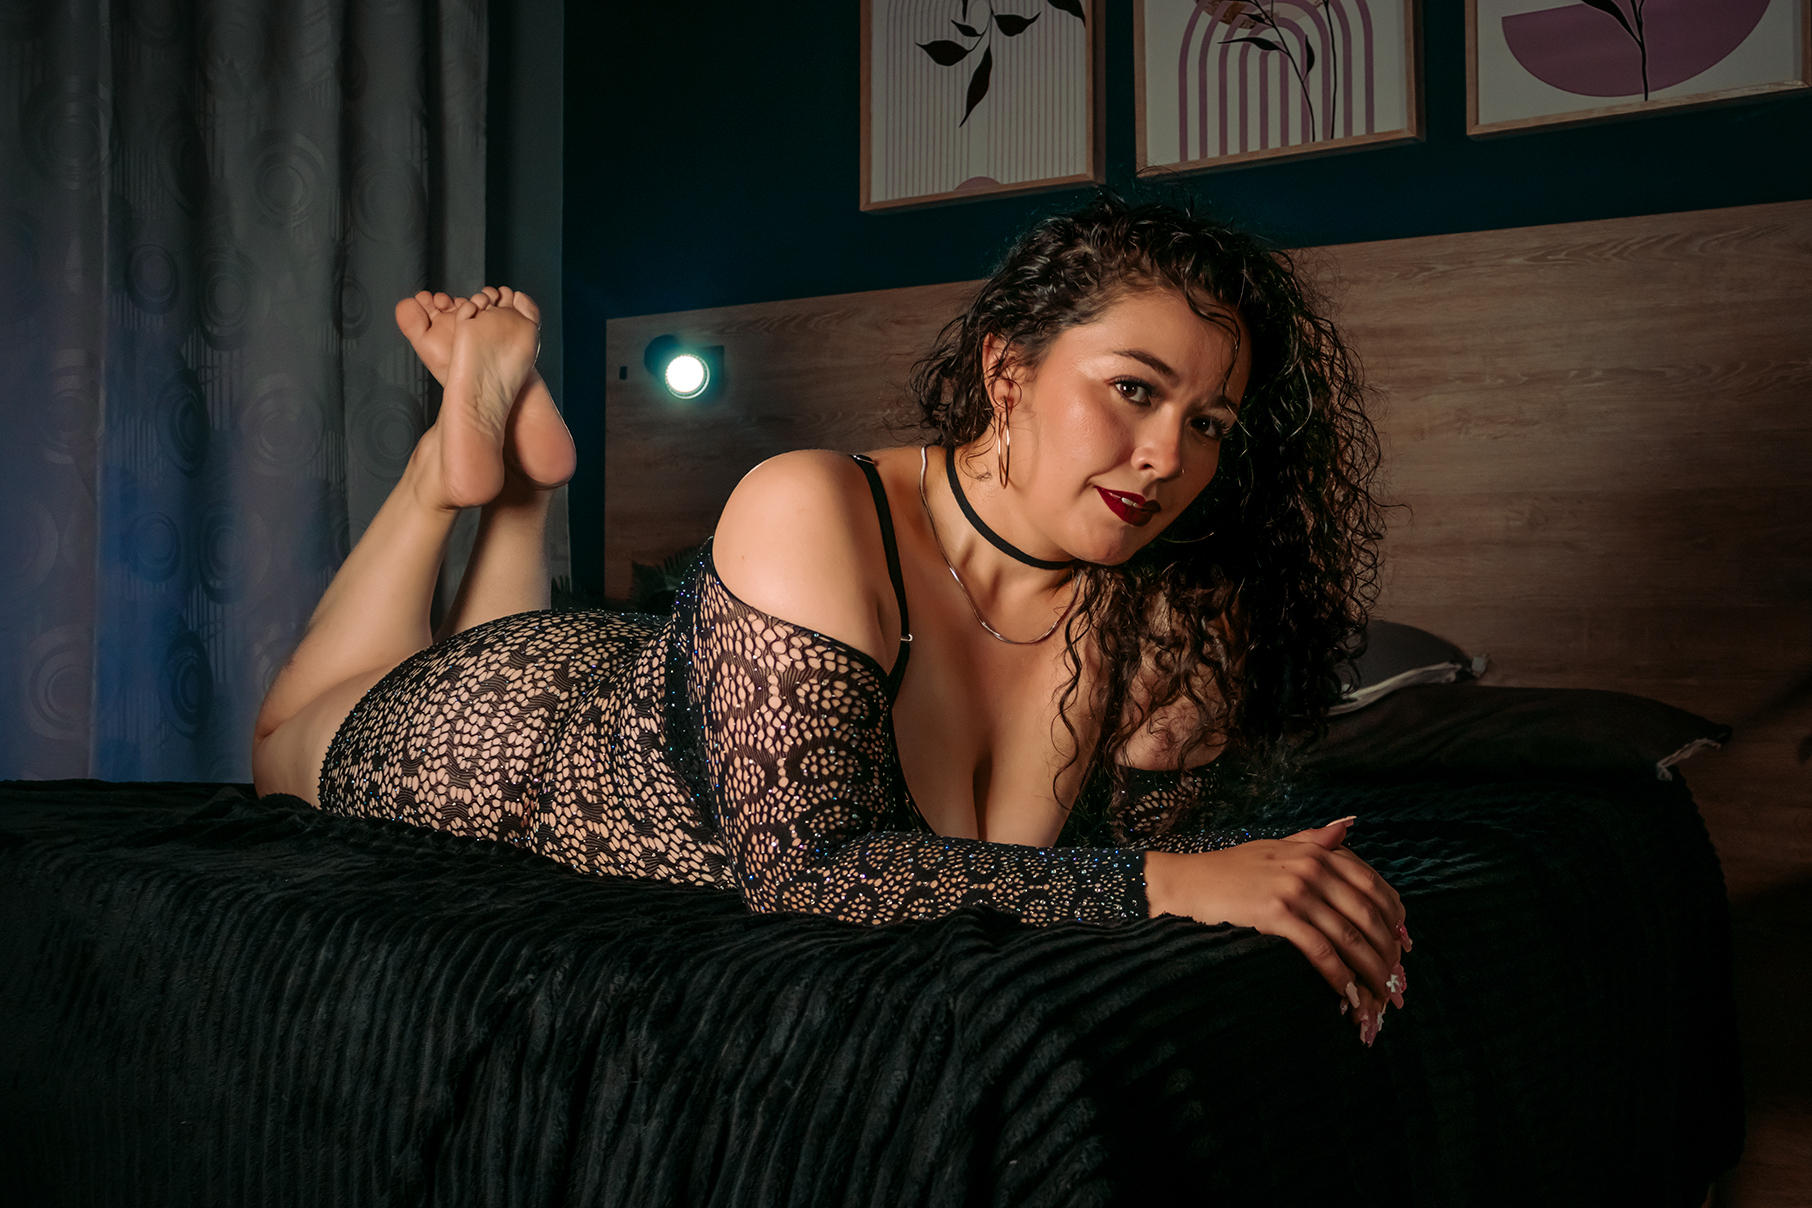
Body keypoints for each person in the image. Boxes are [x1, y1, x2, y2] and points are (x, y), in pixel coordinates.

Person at [252, 194, 1408, 1045]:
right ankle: (445, 479)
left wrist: (1265, 877)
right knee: (276, 750)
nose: (1165, 455)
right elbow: (807, 872)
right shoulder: (812, 501)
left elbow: (1116, 866)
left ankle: (515, 480)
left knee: (530, 608)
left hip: (649, 678)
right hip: (494, 731)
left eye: (1209, 424)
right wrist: (1166, 881)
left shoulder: (1171, 619)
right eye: (1135, 389)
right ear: (1007, 371)